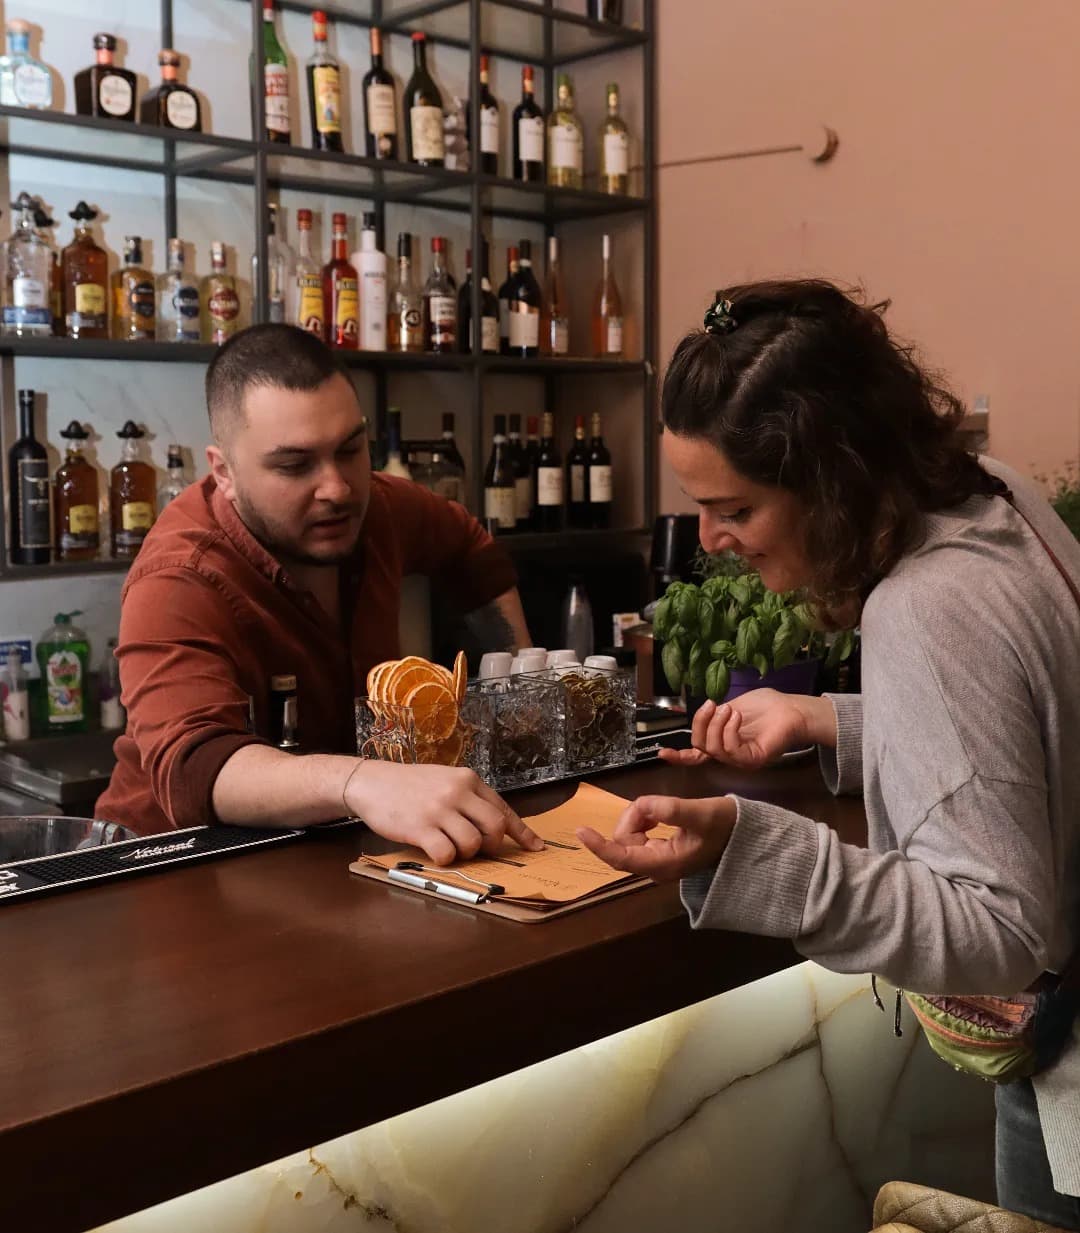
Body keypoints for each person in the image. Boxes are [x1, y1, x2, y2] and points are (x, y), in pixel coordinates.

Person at [577, 280, 1080, 1230]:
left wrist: (748, 849)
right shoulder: (993, 494)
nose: (715, 542)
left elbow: (1003, 931)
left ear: (831, 475)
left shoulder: (923, 607)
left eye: (734, 509)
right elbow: (1038, 714)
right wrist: (833, 719)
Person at [97, 323, 542, 864]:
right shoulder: (178, 578)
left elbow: (472, 553)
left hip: (322, 852)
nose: (336, 488)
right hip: (168, 868)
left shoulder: (378, 508)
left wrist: (521, 689)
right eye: (294, 465)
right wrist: (362, 781)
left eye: (351, 449)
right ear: (225, 472)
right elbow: (196, 766)